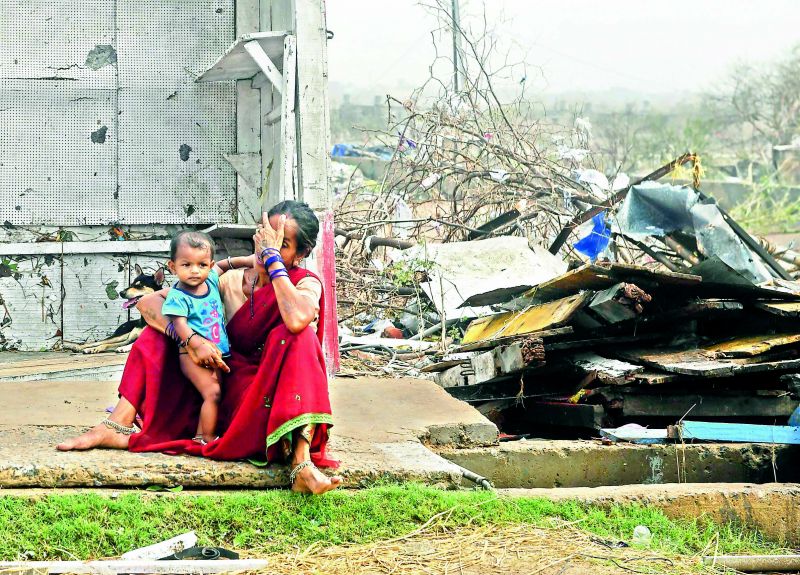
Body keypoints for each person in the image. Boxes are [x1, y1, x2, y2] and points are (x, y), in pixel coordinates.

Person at [57, 201, 342, 495]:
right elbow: (150, 304)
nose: (267, 247)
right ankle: (117, 424)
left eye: (281, 244)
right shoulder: (227, 280)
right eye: (265, 237)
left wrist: (271, 260)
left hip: (269, 400)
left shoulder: (305, 285)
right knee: (157, 334)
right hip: (219, 387)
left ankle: (301, 463)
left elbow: (296, 320)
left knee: (300, 337)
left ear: (302, 254)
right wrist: (191, 341)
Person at [162, 231, 231, 444]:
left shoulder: (210, 281)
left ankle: (200, 435)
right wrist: (196, 345)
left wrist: (246, 260)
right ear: (172, 267)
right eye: (186, 265)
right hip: (192, 355)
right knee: (213, 394)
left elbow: (222, 267)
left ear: (209, 266)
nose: (194, 271)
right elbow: (179, 324)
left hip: (219, 354)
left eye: (201, 265)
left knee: (216, 393)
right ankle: (209, 438)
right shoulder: (178, 296)